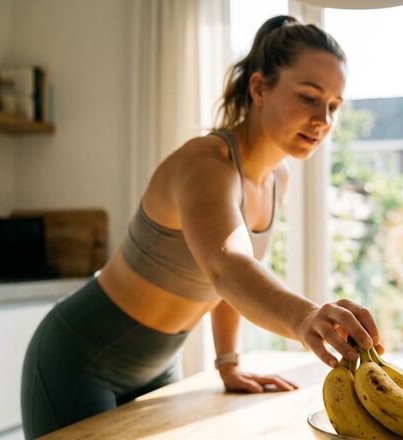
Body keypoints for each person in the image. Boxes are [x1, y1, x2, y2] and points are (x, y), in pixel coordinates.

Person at [20, 15, 382, 439]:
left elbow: (227, 283)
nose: (323, 118)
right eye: (308, 97)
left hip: (159, 364)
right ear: (260, 88)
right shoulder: (207, 165)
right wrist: (306, 319)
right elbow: (225, 268)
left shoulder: (276, 178)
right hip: (79, 357)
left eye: (334, 106)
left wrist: (228, 362)